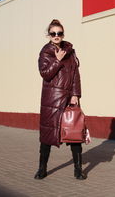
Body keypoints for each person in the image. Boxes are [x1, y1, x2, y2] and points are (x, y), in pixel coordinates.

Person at [34, 19, 86, 180]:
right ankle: (42, 169)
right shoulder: (45, 52)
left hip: (69, 98)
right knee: (47, 137)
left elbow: (75, 75)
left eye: (59, 33)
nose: (57, 36)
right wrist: (57, 60)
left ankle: (78, 170)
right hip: (52, 100)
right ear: (49, 35)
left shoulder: (70, 51)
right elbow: (45, 74)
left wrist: (75, 94)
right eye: (53, 33)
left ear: (63, 34)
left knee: (74, 133)